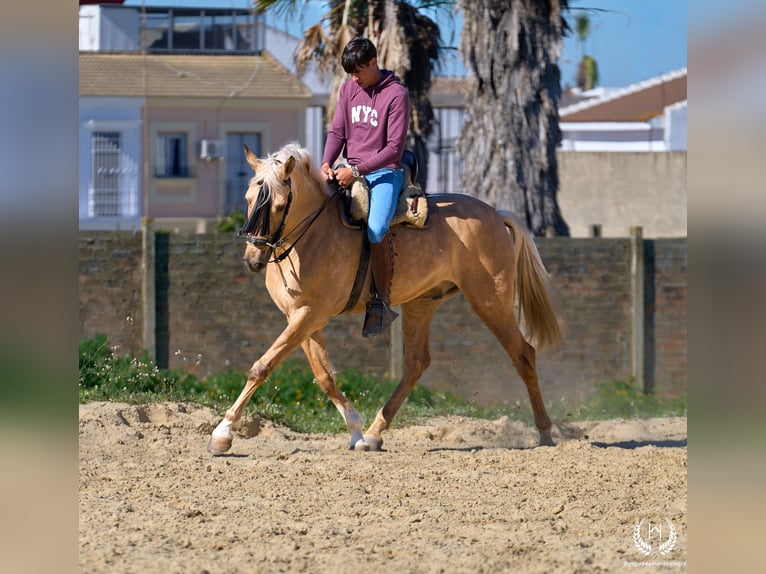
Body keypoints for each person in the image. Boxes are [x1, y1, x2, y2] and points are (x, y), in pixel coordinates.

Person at [320, 37, 411, 337]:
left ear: (373, 62)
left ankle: (380, 301)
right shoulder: (349, 89)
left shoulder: (396, 95)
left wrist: (356, 170)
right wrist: (325, 162)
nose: (354, 79)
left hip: (385, 172)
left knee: (375, 228)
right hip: (349, 169)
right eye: (350, 74)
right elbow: (337, 131)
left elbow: (394, 149)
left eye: (359, 72)